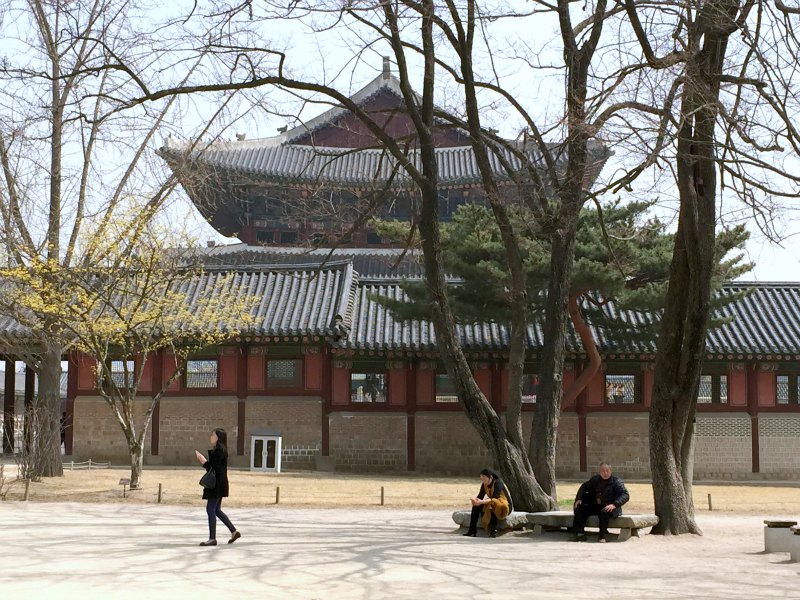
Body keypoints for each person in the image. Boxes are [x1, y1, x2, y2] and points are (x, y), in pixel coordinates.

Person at [195, 428, 241, 547]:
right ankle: (234, 531)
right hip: (220, 483)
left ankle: (212, 538)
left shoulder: (220, 451)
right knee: (216, 510)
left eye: (213, 435)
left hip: (217, 484)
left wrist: (203, 461)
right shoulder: (220, 450)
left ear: (218, 438)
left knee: (210, 509)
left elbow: (213, 469)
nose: (211, 436)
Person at [571, 462, 629, 542]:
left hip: (611, 507)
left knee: (604, 512)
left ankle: (602, 536)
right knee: (579, 507)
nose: (605, 473)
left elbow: (625, 495)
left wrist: (614, 504)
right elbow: (584, 486)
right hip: (596, 506)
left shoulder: (617, 482)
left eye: (607, 470)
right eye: (603, 471)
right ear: (599, 472)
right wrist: (578, 498)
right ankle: (579, 534)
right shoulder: (595, 480)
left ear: (611, 471)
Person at [462, 468, 512, 538]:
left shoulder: (498, 482)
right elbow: (480, 496)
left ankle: (493, 531)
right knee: (476, 507)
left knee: (492, 506)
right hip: (492, 502)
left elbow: (495, 498)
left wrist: (482, 502)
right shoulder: (484, 485)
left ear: (490, 477)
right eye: (482, 479)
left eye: (484, 479)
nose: (483, 481)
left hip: (504, 506)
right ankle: (472, 530)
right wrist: (475, 500)